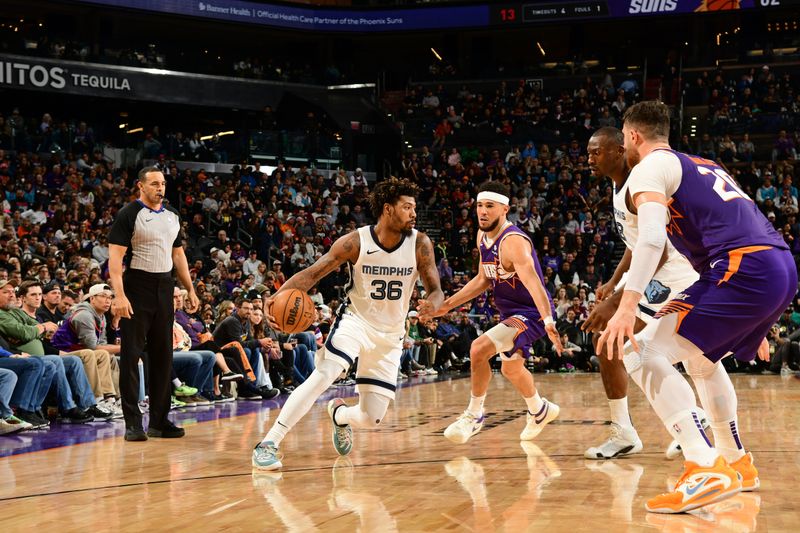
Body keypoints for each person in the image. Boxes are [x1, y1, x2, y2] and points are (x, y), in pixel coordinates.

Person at [600, 101, 796, 513]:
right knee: (702, 362)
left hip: (742, 268)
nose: (623, 144)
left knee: (639, 350)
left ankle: (704, 465)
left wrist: (625, 306)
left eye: (623, 137)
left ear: (633, 136)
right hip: (775, 266)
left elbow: (652, 240)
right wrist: (756, 320)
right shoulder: (701, 163)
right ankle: (736, 462)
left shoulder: (649, 169)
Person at [252, 177, 444, 471]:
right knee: (325, 373)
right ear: (387, 209)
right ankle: (269, 442)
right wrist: (278, 296)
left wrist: (435, 303)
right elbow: (314, 272)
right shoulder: (356, 241)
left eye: (414, 208)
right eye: (407, 207)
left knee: (371, 418)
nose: (413, 214)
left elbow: (435, 288)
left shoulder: (420, 243)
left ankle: (340, 415)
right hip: (355, 321)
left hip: (391, 335)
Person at [582, 127, 702, 460]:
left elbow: (658, 248)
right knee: (611, 344)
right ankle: (627, 431)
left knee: (631, 348)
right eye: (589, 152)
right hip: (650, 276)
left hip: (671, 278)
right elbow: (636, 243)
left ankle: (690, 423)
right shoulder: (617, 184)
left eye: (596, 152)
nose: (589, 159)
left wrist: (616, 300)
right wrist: (614, 281)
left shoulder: (640, 182)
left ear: (620, 150)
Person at [429, 180, 563, 445]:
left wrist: (548, 320)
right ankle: (539, 410)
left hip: (532, 313)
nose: (482, 211)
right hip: (510, 312)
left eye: (489, 206)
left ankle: (474, 415)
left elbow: (536, 284)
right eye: (479, 205)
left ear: (505, 209)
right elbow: (483, 279)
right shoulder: (482, 237)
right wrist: (447, 305)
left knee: (479, 349)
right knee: (512, 369)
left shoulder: (513, 242)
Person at [108, 166, 200, 442]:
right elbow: (115, 261)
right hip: (136, 286)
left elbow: (179, 255)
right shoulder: (129, 214)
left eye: (163, 183)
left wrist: (190, 288)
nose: (160, 188)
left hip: (164, 286)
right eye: (154, 184)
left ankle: (159, 421)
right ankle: (133, 423)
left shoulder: (172, 216)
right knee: (131, 355)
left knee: (163, 356)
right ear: (141, 186)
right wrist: (120, 295)